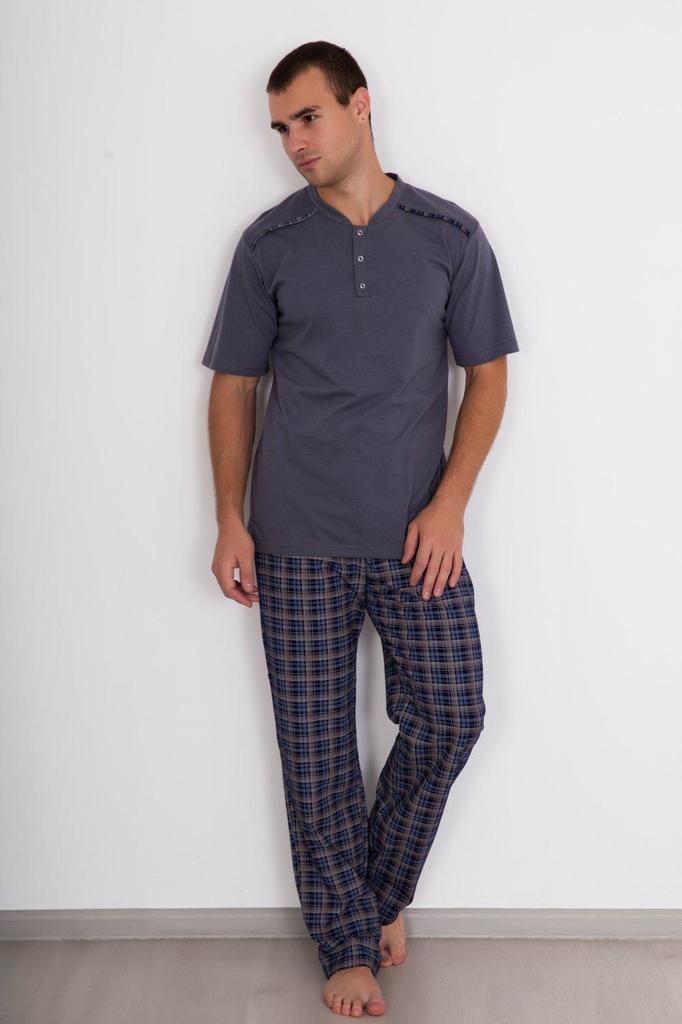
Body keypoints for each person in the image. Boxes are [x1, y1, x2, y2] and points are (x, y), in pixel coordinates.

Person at [202, 40, 519, 1019]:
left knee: (453, 714)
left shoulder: (449, 235)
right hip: (294, 538)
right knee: (316, 753)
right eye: (280, 128)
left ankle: (374, 896)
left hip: (417, 536)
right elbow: (233, 388)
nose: (294, 142)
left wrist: (451, 502)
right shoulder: (268, 245)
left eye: (308, 117)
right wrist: (229, 519)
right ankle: (348, 945)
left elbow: (488, 376)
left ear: (359, 105)